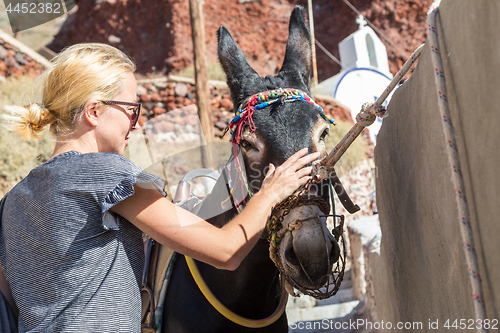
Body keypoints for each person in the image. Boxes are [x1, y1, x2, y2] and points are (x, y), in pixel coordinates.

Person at [0, 43, 319, 332]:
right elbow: (227, 251)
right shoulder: (109, 173)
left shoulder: (12, 201)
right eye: (131, 110)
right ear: (94, 111)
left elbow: (9, 306)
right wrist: (271, 193)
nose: (136, 123)